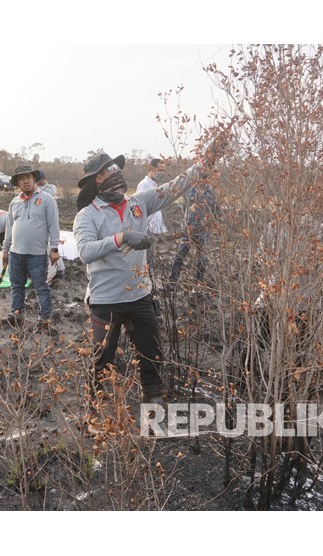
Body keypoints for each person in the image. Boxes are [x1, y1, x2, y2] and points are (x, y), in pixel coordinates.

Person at [73, 143, 221, 408]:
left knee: (151, 355)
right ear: (98, 179)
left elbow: (176, 186)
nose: (118, 173)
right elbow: (85, 251)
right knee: (101, 359)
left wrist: (205, 162)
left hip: (140, 294)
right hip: (106, 300)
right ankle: (94, 410)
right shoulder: (87, 215)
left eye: (118, 168)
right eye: (110, 170)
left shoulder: (138, 203)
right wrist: (121, 238)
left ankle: (153, 406)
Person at [0, 165, 60, 331]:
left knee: (41, 287)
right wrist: (5, 250)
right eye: (21, 179)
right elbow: (9, 227)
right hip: (16, 253)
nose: (25, 181)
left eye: (28, 177)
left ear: (34, 179)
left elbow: (53, 225)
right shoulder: (15, 202)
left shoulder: (47, 199)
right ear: (18, 183)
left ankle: (44, 320)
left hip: (37, 254)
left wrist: (54, 249)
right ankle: (17, 316)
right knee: (17, 286)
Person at [167, 177, 219, 288]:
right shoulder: (189, 190)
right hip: (188, 231)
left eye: (205, 178)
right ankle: (172, 281)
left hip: (203, 232)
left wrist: (209, 224)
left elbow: (217, 211)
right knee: (180, 255)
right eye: (200, 178)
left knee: (203, 259)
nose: (202, 181)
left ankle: (197, 283)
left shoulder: (212, 193)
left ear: (207, 179)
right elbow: (183, 208)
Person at [36, 169, 65, 279]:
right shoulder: (37, 189)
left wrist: (38, 188)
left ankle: (55, 270)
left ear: (44, 179)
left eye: (39, 180)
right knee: (47, 246)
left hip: (51, 218)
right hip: (41, 219)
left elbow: (50, 194)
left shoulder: (51, 187)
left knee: (51, 246)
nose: (38, 183)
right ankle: (59, 269)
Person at [136, 158, 167, 236]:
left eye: (163, 170)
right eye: (160, 170)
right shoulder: (144, 185)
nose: (162, 173)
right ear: (152, 168)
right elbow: (140, 206)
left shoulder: (154, 185)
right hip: (148, 229)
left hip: (154, 229)